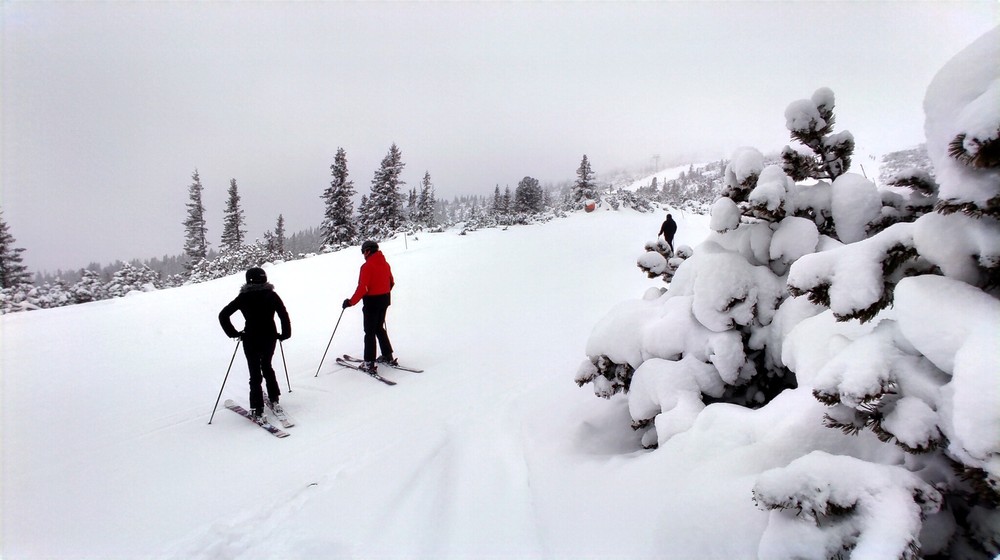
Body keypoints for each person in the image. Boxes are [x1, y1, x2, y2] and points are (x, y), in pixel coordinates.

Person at [219, 267, 291, 422]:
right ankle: (274, 399)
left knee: (254, 373)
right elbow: (283, 314)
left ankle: (257, 408)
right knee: (267, 366)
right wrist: (285, 334)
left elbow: (223, 315)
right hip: (269, 337)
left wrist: (234, 333)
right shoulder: (271, 295)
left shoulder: (244, 297)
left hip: (251, 338)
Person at [342, 240, 396, 373]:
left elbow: (363, 288)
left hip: (371, 302)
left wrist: (350, 302)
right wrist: (383, 292)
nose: (363, 255)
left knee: (370, 332)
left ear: (368, 251)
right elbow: (391, 282)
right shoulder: (385, 264)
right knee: (379, 328)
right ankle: (388, 356)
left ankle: (369, 363)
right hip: (385, 300)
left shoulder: (367, 267)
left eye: (363, 252)